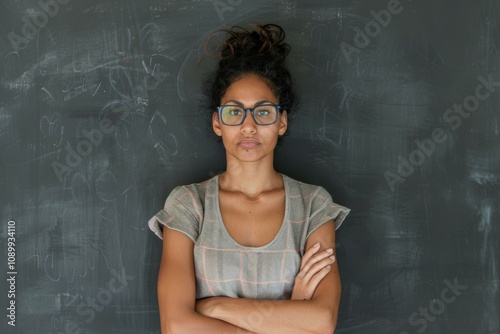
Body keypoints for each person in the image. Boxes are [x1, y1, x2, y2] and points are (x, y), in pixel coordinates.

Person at [148, 23, 350, 333]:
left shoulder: (313, 205)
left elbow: (322, 321)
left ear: (282, 122)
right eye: (234, 112)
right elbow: (175, 326)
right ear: (217, 123)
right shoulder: (189, 204)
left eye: (264, 112)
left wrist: (216, 307)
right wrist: (290, 314)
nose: (248, 126)